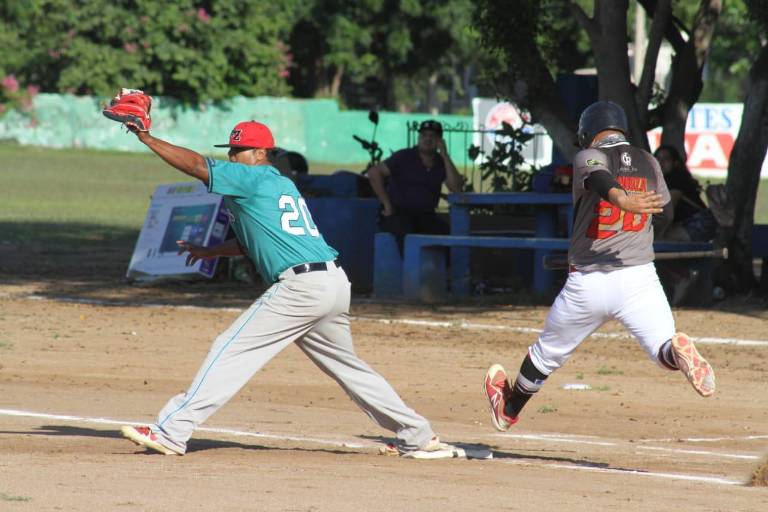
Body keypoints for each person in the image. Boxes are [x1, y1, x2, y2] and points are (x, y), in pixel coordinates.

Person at [118, 117, 449, 456]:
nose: (233, 156)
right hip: (332, 283)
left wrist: (146, 137)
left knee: (231, 348)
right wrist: (211, 251)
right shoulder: (278, 183)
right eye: (231, 150)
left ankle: (172, 430)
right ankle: (418, 435)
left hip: (301, 288)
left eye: (240, 150)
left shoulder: (253, 176)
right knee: (350, 368)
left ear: (261, 153)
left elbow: (197, 165)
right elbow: (256, 241)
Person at [482, 101, 716, 432]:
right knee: (662, 347)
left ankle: (508, 409)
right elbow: (664, 211)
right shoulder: (649, 161)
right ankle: (677, 353)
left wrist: (621, 199)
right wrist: (632, 209)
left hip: (589, 282)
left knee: (546, 354)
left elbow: (598, 175)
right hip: (639, 278)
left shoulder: (586, 156)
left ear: (587, 134)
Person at [366, 120, 464, 254]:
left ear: (440, 141)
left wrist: (445, 156)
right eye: (424, 135)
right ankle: (410, 273)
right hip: (399, 213)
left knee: (448, 236)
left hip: (426, 215)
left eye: (433, 136)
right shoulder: (404, 157)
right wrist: (387, 205)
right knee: (407, 234)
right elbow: (374, 173)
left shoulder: (441, 163)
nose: (428, 139)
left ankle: (444, 273)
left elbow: (456, 188)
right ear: (419, 137)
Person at [653, 145, 717, 242]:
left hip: (699, 223)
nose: (661, 163)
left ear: (675, 163)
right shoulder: (662, 180)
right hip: (692, 223)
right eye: (658, 159)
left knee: (657, 238)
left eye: (666, 159)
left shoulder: (676, 178)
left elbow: (668, 210)